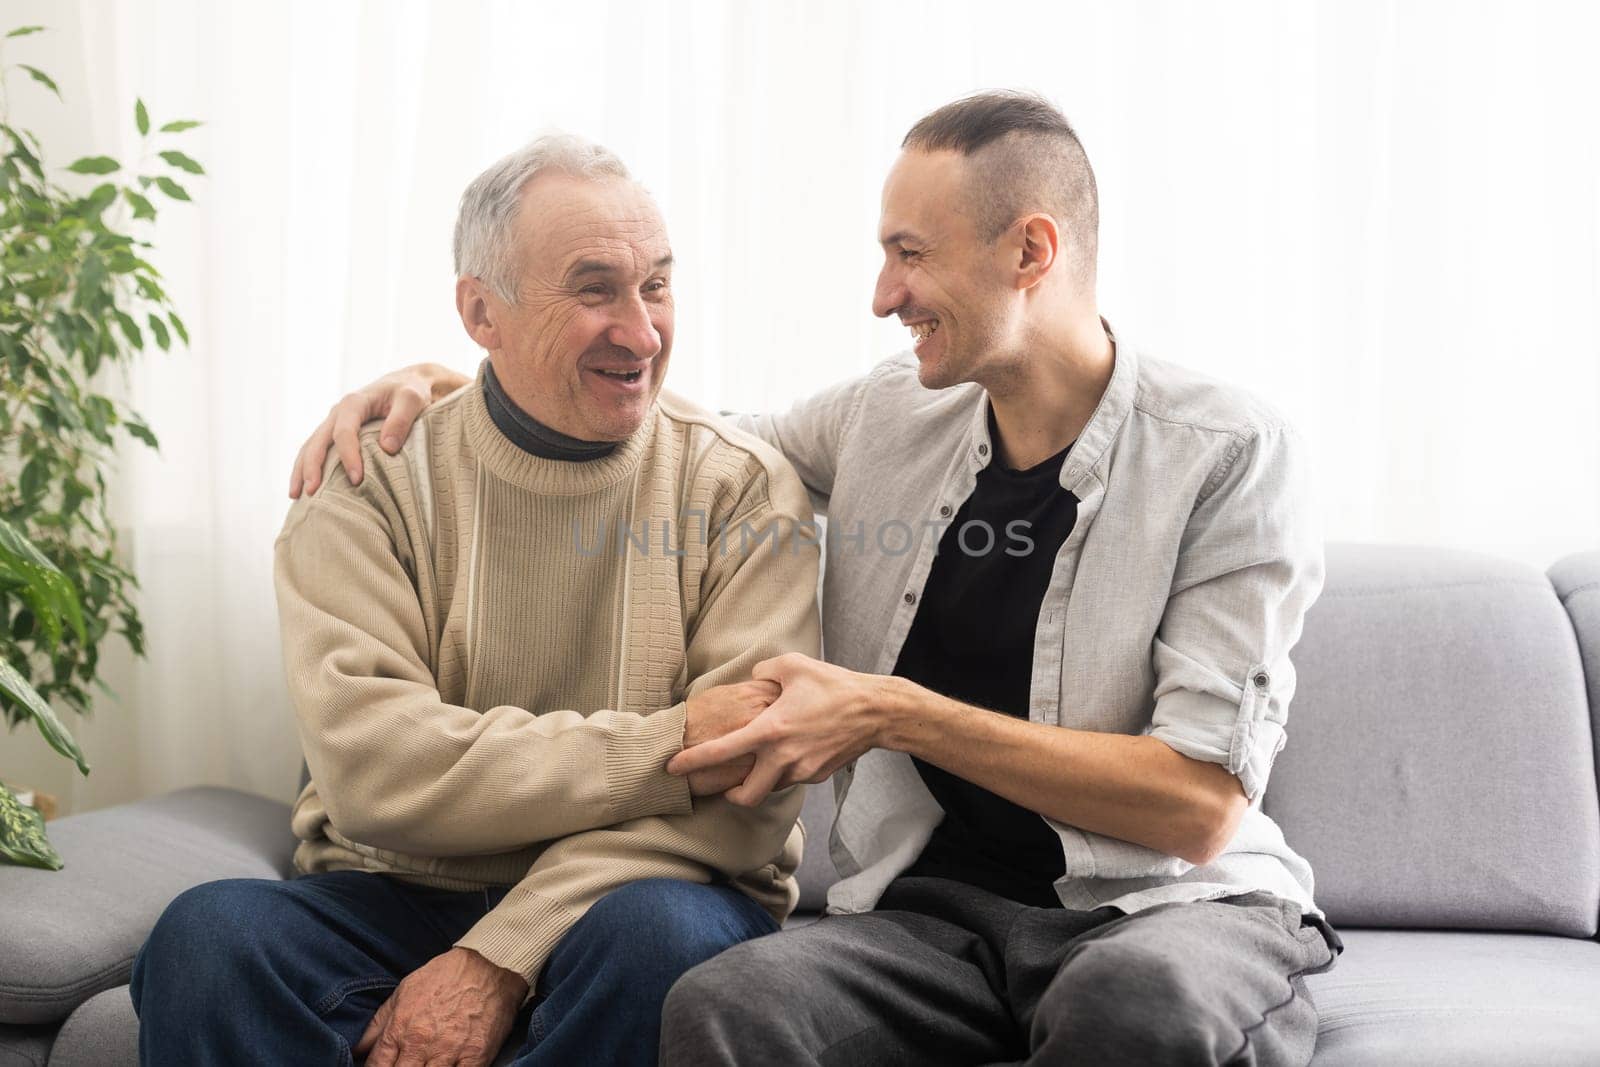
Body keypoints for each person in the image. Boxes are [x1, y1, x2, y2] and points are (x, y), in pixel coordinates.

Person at [291, 92, 1341, 1065]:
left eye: (909, 255)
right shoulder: (888, 416)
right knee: (727, 1002)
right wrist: (455, 387)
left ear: (1030, 250)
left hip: (1169, 910)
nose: (884, 295)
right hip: (932, 923)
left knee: (1132, 1004)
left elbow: (1197, 804)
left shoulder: (1228, 452)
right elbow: (656, 438)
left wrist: (894, 711)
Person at [131, 134, 820, 1067]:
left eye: (656, 285)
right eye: (594, 289)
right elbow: (380, 773)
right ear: (480, 311)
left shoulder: (740, 486)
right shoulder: (363, 483)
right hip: (396, 893)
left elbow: (751, 789)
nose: (643, 330)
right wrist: (673, 742)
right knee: (209, 938)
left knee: (662, 940)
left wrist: (503, 950)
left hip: (642, 896)